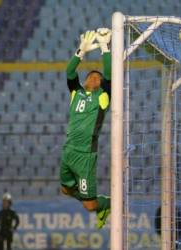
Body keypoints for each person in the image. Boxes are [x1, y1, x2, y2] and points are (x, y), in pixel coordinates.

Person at [59, 29, 112, 229]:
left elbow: (109, 74)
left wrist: (105, 47)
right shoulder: (76, 93)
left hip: (84, 155)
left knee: (90, 206)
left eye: (97, 77)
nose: (93, 78)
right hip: (69, 150)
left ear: (100, 84)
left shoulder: (103, 98)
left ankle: (106, 203)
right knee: (65, 190)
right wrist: (80, 52)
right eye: (90, 75)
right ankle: (90, 197)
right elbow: (70, 72)